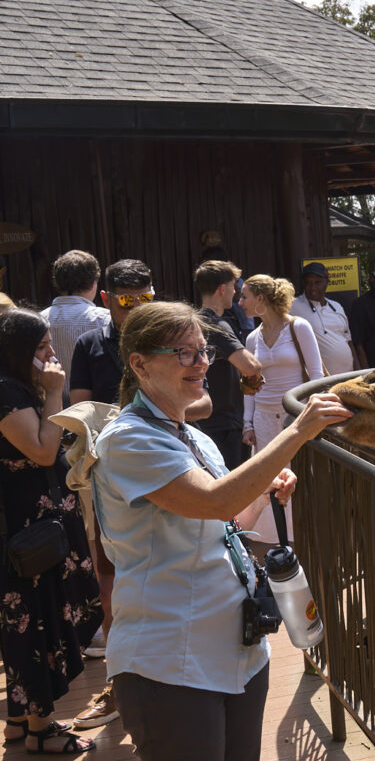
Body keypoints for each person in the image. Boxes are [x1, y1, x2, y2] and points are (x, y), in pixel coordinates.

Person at [90, 301, 350, 761]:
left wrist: (262, 490)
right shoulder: (128, 438)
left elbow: (226, 522)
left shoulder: (194, 435)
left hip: (236, 649)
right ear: (140, 364)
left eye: (203, 350)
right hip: (169, 660)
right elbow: (215, 500)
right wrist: (297, 432)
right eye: (185, 353)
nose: (202, 363)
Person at [68, 259, 210, 730]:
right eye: (125, 300)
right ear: (107, 299)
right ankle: (119, 684)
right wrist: (126, 421)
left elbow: (204, 399)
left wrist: (171, 396)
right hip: (114, 468)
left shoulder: (176, 335)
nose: (134, 307)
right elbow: (80, 406)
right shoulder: (92, 343)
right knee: (112, 573)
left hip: (173, 454)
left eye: (143, 298)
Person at [0, 309, 101, 754]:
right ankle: (43, 727)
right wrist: (56, 393)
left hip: (39, 525)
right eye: (41, 347)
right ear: (18, 352)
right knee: (38, 622)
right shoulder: (6, 392)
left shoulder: (19, 387)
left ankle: (20, 722)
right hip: (30, 531)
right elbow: (42, 451)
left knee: (31, 622)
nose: (51, 354)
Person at [239, 275, 324, 549]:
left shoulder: (299, 327)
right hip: (263, 418)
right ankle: (279, 540)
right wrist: (247, 423)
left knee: (300, 476)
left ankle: (306, 534)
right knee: (271, 478)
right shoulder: (253, 338)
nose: (240, 303)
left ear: (260, 299)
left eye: (245, 296)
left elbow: (317, 375)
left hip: (294, 417)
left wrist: (311, 416)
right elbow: (250, 386)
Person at [194, 261, 264, 470]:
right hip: (224, 424)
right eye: (233, 287)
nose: (234, 293)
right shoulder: (217, 324)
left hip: (201, 422)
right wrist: (253, 378)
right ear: (222, 289)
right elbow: (250, 365)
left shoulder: (193, 322)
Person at [40, 250, 110, 406]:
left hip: (49, 409)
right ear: (94, 283)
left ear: (57, 283)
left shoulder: (39, 320)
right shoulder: (105, 320)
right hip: (95, 410)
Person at [290, 262, 359, 375]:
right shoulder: (294, 306)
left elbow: (348, 341)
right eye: (308, 283)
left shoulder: (337, 307)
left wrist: (358, 370)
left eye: (318, 282)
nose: (312, 288)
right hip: (319, 379)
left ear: (327, 281)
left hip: (347, 375)